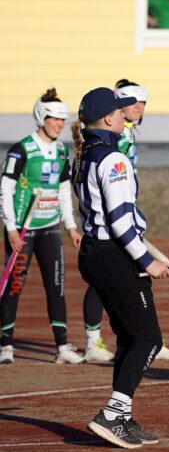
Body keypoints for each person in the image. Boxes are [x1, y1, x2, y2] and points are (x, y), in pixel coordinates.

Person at [73, 87, 169, 449]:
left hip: (96, 254)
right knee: (149, 339)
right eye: (119, 110)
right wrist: (146, 261)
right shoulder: (113, 159)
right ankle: (113, 414)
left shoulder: (85, 154)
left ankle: (123, 416)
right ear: (111, 119)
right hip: (113, 254)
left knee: (130, 338)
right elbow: (118, 220)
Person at [80, 81, 169, 363]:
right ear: (114, 111)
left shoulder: (122, 136)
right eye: (132, 100)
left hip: (119, 220)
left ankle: (142, 342)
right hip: (112, 227)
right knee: (107, 283)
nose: (139, 105)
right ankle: (99, 342)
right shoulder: (112, 142)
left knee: (110, 286)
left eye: (143, 100)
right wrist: (148, 260)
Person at [0, 89, 84, 365]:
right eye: (54, 119)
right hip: (22, 230)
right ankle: (6, 346)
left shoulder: (61, 151)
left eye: (63, 120)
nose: (59, 124)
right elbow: (5, 189)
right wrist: (10, 228)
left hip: (49, 228)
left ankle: (62, 348)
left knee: (56, 286)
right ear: (41, 117)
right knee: (14, 286)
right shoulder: (22, 150)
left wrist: (71, 226)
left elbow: (63, 191)